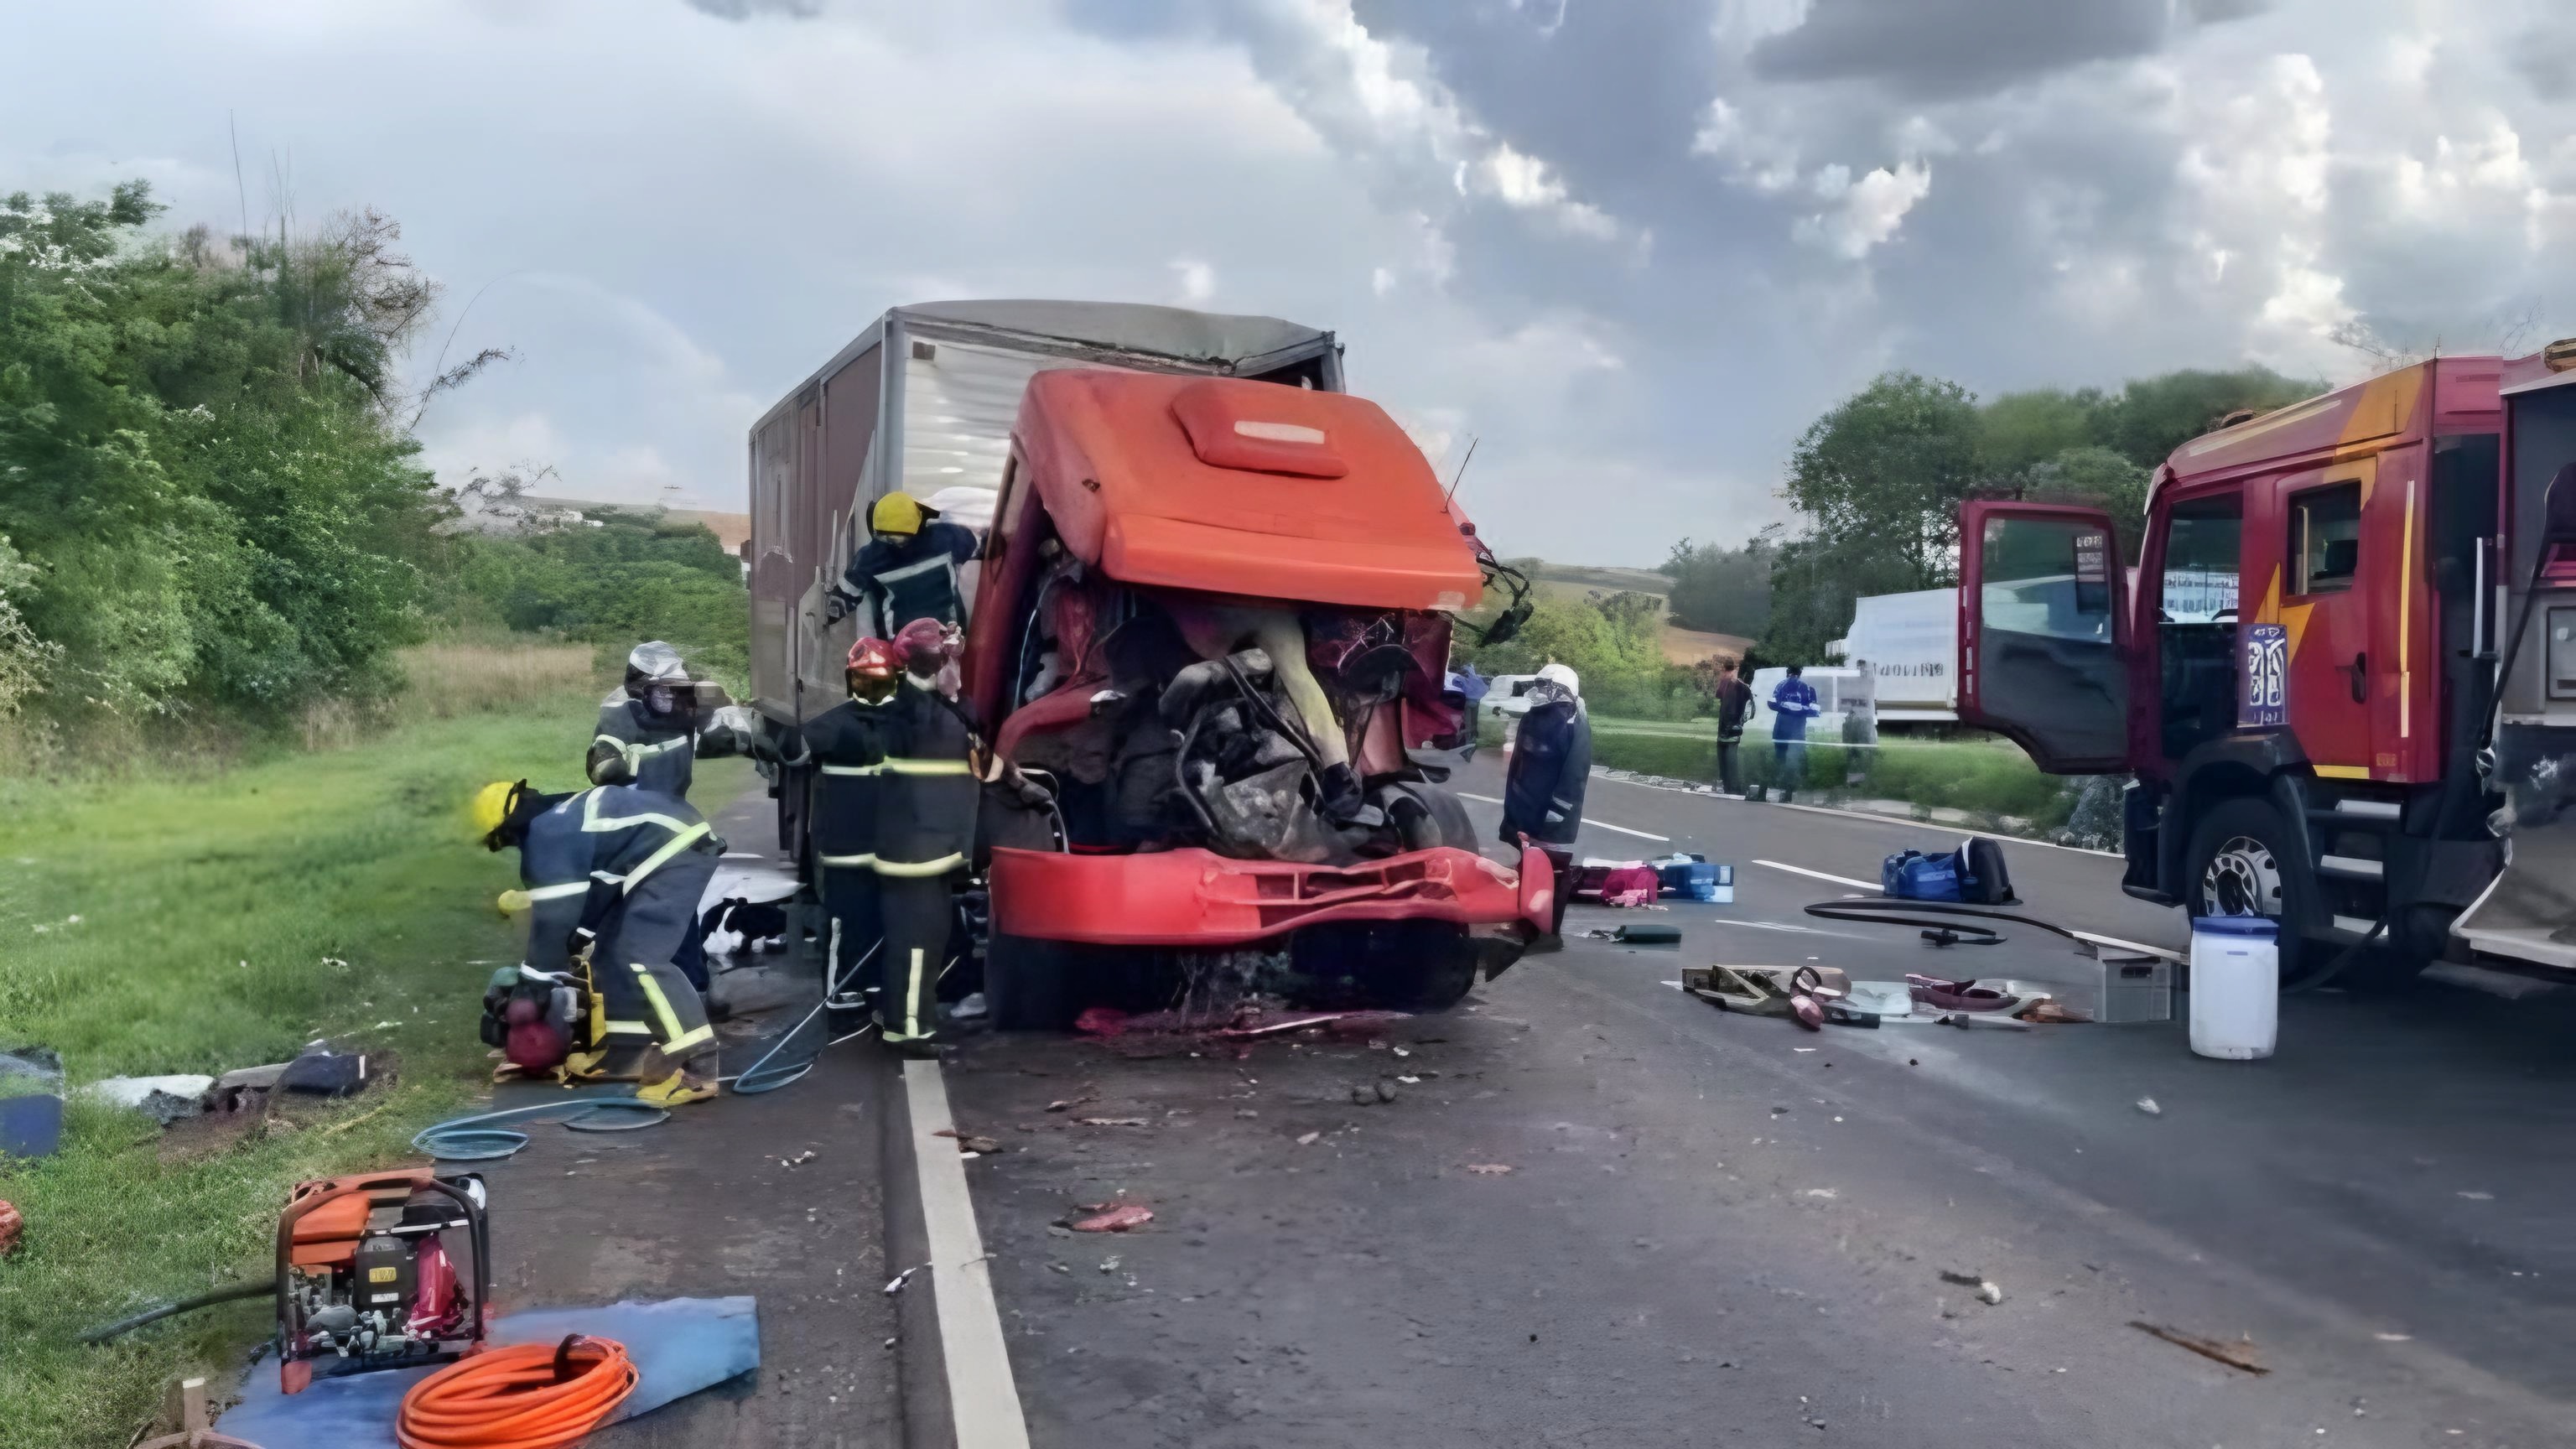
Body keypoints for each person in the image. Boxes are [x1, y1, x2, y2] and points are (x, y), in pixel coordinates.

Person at [470, 777, 724, 1106]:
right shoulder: (560, 818)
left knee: (641, 958)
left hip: (677, 852)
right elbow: (602, 880)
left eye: (498, 842)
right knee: (608, 955)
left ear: (504, 830)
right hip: (656, 851)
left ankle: (699, 1068)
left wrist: (532, 983)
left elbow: (553, 918)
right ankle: (623, 1055)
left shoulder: (547, 836)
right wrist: (583, 933)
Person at [870, 618, 982, 1057]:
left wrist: (948, 673)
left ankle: (901, 1018)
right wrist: (929, 665)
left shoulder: (941, 707)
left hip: (934, 852)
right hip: (913, 854)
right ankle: (908, 1034)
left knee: (927, 943)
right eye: (948, 658)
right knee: (915, 947)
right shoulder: (904, 707)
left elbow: (968, 720)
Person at [776, 636, 902, 1022]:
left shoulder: (903, 722)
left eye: (877, 677)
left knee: (878, 918)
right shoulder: (839, 725)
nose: (870, 685)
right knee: (846, 920)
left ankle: (871, 984)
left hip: (878, 847)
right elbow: (791, 750)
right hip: (851, 849)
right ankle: (842, 990)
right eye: (863, 679)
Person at [586, 641, 756, 801]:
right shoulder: (620, 710)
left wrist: (726, 717)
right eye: (665, 690)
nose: (673, 697)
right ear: (642, 688)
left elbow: (733, 733)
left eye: (678, 688)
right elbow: (601, 767)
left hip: (674, 803)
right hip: (629, 806)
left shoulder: (687, 703)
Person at [826, 492, 980, 639]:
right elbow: (849, 590)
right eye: (887, 537)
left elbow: (980, 545)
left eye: (900, 537)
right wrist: (834, 610)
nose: (896, 543)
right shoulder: (871, 558)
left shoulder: (947, 539)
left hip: (948, 635)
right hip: (899, 643)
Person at [1500, 662, 1591, 848]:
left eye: (1546, 686)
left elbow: (1575, 773)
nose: (1539, 691)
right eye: (1540, 685)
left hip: (1548, 813)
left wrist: (1557, 812)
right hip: (1522, 808)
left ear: (1562, 688)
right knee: (1522, 864)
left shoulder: (1574, 721)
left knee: (1543, 864)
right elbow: (1519, 763)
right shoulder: (1532, 716)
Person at [1768, 663, 1822, 803]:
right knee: (1796, 758)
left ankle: (1779, 784)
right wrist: (1800, 711)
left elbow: (1772, 704)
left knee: (1780, 757)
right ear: (1800, 673)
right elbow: (1815, 711)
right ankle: (1792, 789)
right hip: (1797, 730)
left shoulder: (1780, 686)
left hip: (1781, 728)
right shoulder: (1809, 689)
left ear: (1788, 673)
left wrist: (1786, 708)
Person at [1712, 659, 1754, 797]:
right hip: (1734, 729)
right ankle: (1733, 787)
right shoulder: (1744, 688)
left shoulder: (1730, 684)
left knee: (1726, 761)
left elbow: (1718, 694)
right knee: (1730, 761)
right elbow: (1751, 712)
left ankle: (1729, 787)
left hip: (1726, 728)